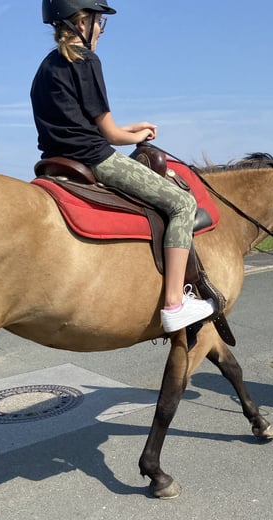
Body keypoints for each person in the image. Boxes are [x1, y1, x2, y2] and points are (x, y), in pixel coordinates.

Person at [30, 0, 215, 333]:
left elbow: (96, 127)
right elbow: (109, 135)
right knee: (182, 204)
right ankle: (175, 302)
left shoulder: (46, 67)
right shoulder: (86, 60)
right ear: (81, 23)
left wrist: (136, 129)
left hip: (58, 160)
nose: (101, 29)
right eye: (99, 21)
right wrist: (131, 133)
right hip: (95, 159)